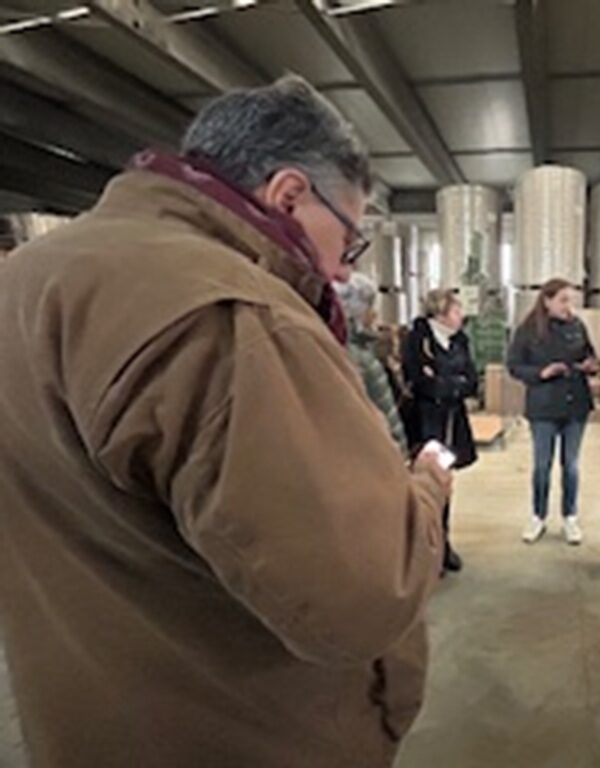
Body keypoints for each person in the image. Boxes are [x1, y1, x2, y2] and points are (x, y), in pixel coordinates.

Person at [0, 76, 452, 768]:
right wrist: (425, 490)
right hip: (248, 731)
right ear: (289, 195)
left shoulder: (28, 277)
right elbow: (360, 598)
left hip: (85, 720)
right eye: (349, 239)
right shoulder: (229, 314)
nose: (340, 270)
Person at [507, 278, 600, 545]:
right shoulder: (528, 330)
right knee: (542, 466)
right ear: (547, 301)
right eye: (563, 300)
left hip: (575, 405)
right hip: (543, 407)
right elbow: (514, 365)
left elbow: (589, 356)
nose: (568, 305)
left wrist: (591, 366)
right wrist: (542, 373)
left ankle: (570, 517)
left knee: (571, 465)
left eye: (570, 300)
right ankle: (538, 516)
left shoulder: (577, 326)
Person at [403, 288, 479, 575]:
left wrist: (445, 383)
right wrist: (450, 384)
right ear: (441, 313)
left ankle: (443, 544)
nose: (461, 315)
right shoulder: (418, 339)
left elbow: (472, 381)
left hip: (451, 421)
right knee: (426, 483)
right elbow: (420, 381)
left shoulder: (460, 341)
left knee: (445, 482)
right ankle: (425, 549)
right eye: (457, 310)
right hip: (425, 422)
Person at [335, 272, 408, 455]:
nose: (375, 315)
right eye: (370, 308)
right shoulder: (360, 359)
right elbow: (385, 415)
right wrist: (401, 455)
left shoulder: (340, 349)